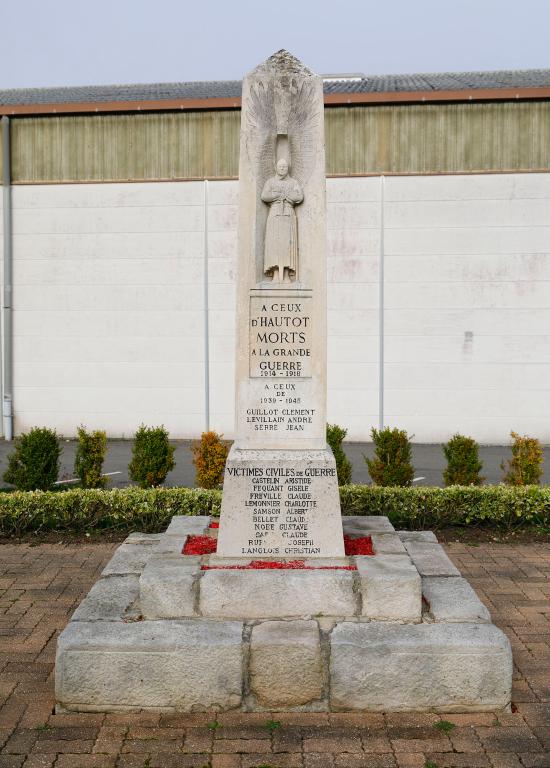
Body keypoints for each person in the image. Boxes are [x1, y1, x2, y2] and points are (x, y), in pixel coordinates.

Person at [261, 158, 304, 282]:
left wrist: (288, 196)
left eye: (284, 167)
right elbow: (264, 196)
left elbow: (299, 196)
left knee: (287, 245)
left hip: (288, 216)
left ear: (288, 168)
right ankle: (275, 273)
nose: (282, 168)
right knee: (275, 245)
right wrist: (277, 195)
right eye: (280, 166)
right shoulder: (270, 182)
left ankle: (286, 275)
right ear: (276, 167)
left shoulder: (293, 182)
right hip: (274, 216)